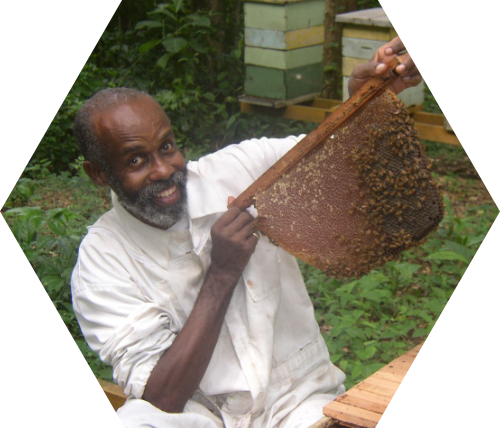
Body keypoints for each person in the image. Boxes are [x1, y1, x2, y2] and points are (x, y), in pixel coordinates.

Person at [71, 37, 421, 428]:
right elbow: (162, 399)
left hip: (298, 404)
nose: (164, 170)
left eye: (166, 147)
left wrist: (365, 100)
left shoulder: (240, 169)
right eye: (136, 160)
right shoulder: (101, 264)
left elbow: (334, 154)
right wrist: (221, 273)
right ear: (98, 174)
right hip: (202, 419)